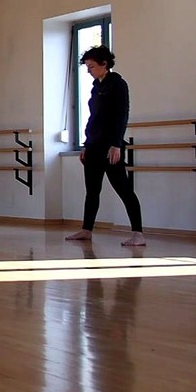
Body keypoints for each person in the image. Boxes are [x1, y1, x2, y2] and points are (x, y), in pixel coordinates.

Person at [66, 45, 145, 246]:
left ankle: (138, 233)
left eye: (91, 66)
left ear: (104, 64)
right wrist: (86, 144)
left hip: (110, 147)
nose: (88, 70)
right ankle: (86, 229)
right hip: (93, 146)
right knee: (92, 191)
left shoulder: (118, 85)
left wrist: (116, 145)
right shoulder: (96, 87)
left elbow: (121, 116)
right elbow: (94, 118)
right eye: (87, 67)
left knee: (123, 189)